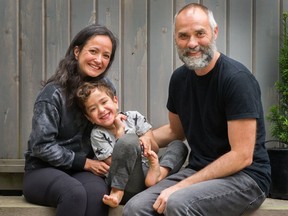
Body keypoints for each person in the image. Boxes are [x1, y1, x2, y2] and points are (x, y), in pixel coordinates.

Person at [123, 3, 271, 216]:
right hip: (200, 171)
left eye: (200, 33)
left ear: (215, 32)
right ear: (175, 38)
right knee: (134, 209)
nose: (192, 43)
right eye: (183, 36)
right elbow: (176, 131)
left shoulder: (236, 79)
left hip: (247, 178)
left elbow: (242, 156)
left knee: (179, 203)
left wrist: (181, 186)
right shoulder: (179, 79)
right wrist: (143, 138)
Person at [23, 24, 118, 216]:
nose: (99, 60)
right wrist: (85, 163)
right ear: (77, 51)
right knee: (73, 193)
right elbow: (41, 146)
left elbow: (109, 125)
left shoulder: (106, 88)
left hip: (84, 173)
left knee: (97, 193)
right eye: (93, 51)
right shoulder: (53, 93)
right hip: (42, 170)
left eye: (106, 55)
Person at [75, 80, 188, 208]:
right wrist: (119, 132)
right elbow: (115, 163)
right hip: (128, 183)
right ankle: (117, 191)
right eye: (93, 109)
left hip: (150, 170)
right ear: (89, 117)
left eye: (104, 102)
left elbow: (155, 149)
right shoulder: (98, 134)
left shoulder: (135, 117)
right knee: (128, 141)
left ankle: (159, 173)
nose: (101, 110)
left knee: (178, 145)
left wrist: (147, 140)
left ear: (115, 101)